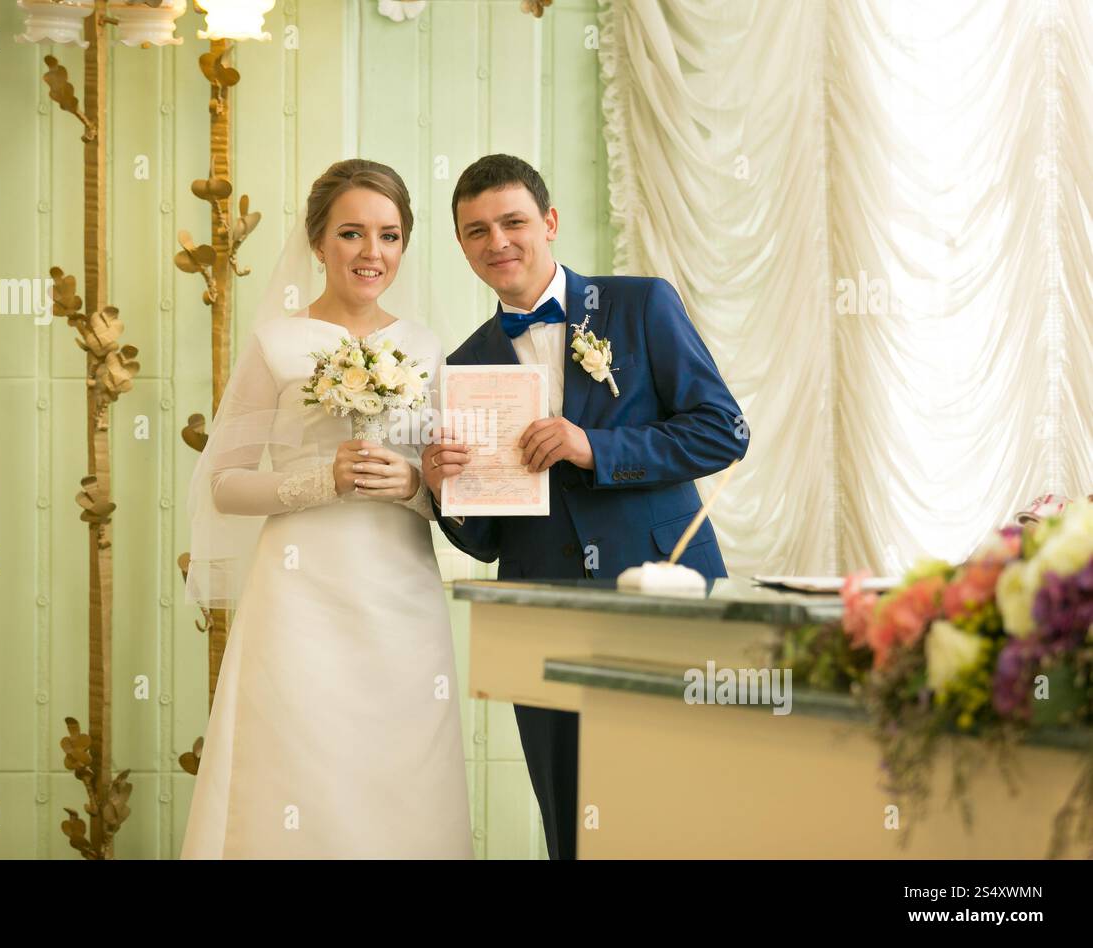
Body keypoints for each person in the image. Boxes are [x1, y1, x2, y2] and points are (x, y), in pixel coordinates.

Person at [420, 154, 748, 860]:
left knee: (691, 801)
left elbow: (724, 430)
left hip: (664, 589)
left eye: (513, 222)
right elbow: (483, 538)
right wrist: (446, 490)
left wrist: (592, 446)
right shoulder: (464, 364)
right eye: (476, 231)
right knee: (569, 814)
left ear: (550, 222)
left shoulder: (640, 304)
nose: (497, 242)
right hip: (539, 610)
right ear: (461, 245)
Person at [180, 159, 472, 859]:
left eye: (390, 235)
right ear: (318, 242)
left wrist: (409, 484)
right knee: (299, 765)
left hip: (403, 598)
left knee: (402, 769)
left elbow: (448, 493)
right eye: (351, 234)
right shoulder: (277, 345)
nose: (372, 253)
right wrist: (319, 481)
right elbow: (222, 483)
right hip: (300, 597)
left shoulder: (427, 348)